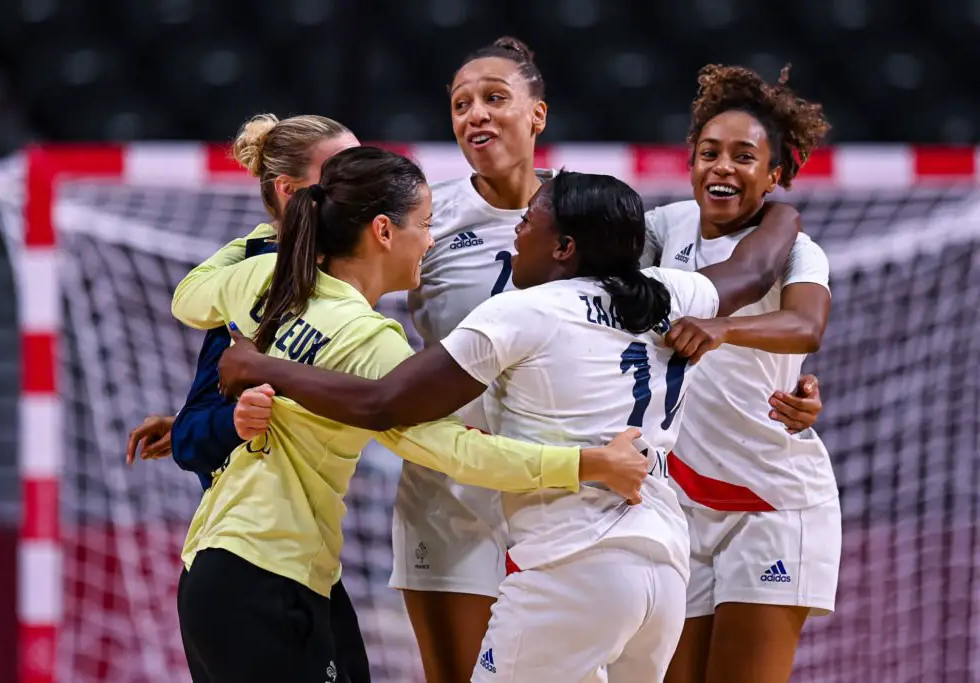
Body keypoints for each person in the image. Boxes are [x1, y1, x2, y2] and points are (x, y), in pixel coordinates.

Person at [214, 170, 809, 682]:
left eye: (528, 222)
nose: (515, 234)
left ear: (565, 247)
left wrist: (262, 366)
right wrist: (785, 209)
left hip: (572, 567)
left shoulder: (522, 312)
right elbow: (756, 268)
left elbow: (384, 403)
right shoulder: (671, 293)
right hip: (664, 572)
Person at [389, 36, 825, 683]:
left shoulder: (597, 219)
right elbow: (355, 286)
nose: (476, 113)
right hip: (476, 486)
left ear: (538, 115)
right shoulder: (430, 216)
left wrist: (775, 235)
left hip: (617, 496)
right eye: (461, 103)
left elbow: (779, 301)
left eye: (495, 98)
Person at [170, 147, 650, 683]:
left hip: (213, 569)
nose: (430, 240)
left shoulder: (263, 275)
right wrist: (588, 463)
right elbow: (456, 452)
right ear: (383, 231)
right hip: (271, 577)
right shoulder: (368, 341)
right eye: (423, 225)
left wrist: (266, 239)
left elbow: (187, 298)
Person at [124, 113, 369, 683]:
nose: (358, 181)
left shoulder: (340, 270)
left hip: (308, 567)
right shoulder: (255, 281)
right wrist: (229, 422)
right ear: (289, 190)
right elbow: (194, 438)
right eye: (340, 171)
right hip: (249, 570)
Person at [643, 65, 836, 683]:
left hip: (771, 501)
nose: (722, 167)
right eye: (709, 153)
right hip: (683, 502)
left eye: (744, 157)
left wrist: (723, 328)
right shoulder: (664, 227)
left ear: (774, 175)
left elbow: (805, 325)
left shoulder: (798, 250)